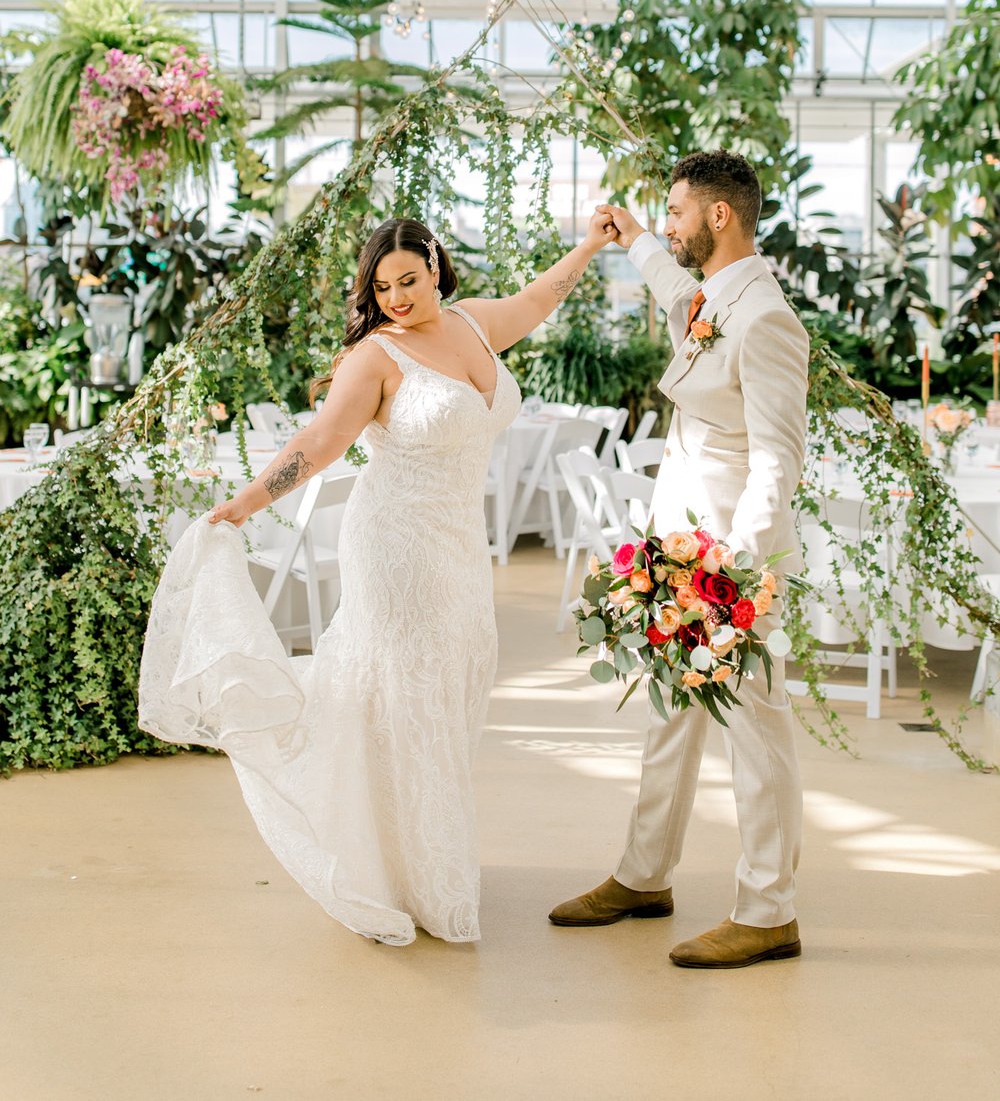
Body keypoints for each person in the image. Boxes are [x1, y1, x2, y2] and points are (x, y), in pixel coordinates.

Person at [139, 211, 616, 946]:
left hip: (459, 547)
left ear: (434, 264)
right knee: (406, 695)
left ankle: (412, 857)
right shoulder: (376, 355)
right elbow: (322, 440)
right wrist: (241, 504)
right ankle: (400, 878)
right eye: (382, 286)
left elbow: (537, 301)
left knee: (449, 689)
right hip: (396, 545)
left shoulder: (474, 324)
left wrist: (589, 244)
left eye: (408, 281)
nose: (396, 298)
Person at [550, 151, 810, 969]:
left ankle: (769, 910)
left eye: (675, 211)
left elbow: (778, 458)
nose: (668, 223)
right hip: (680, 547)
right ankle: (643, 875)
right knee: (669, 716)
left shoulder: (765, 318)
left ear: (719, 216)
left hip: (733, 564)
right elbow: (675, 290)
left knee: (757, 735)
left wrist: (736, 575)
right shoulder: (712, 294)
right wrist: (633, 238)